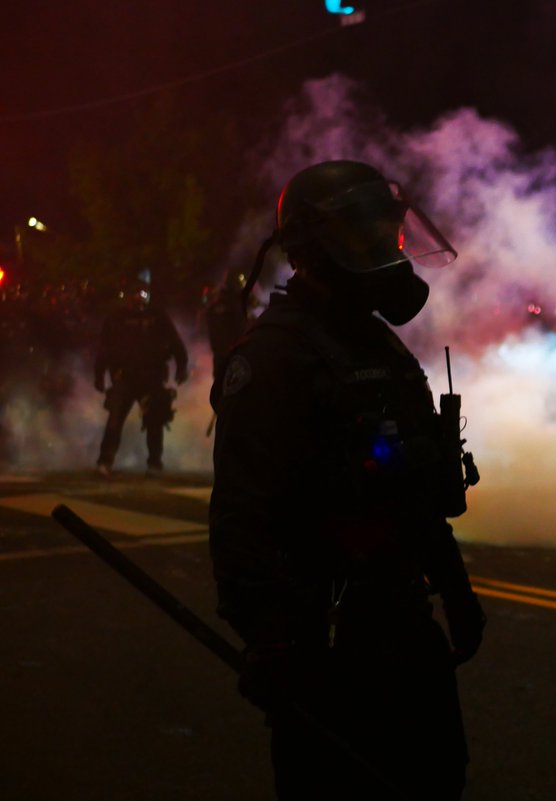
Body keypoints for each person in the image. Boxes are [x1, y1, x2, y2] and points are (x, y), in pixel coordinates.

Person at [208, 160, 486, 800]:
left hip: (401, 622)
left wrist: (455, 589)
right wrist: (274, 642)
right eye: (368, 235)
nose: (389, 250)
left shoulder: (378, 346)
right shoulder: (274, 358)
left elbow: (416, 493)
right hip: (323, 639)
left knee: (436, 777)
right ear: (315, 248)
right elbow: (242, 518)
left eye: (391, 232)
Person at [93, 278, 188, 477]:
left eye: (142, 292)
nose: (138, 297)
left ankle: (154, 463)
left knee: (155, 420)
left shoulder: (157, 317)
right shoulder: (116, 318)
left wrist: (182, 367)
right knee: (115, 419)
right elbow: (104, 349)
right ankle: (105, 462)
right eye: (134, 293)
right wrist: (99, 375)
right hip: (125, 377)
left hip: (152, 377)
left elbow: (176, 344)